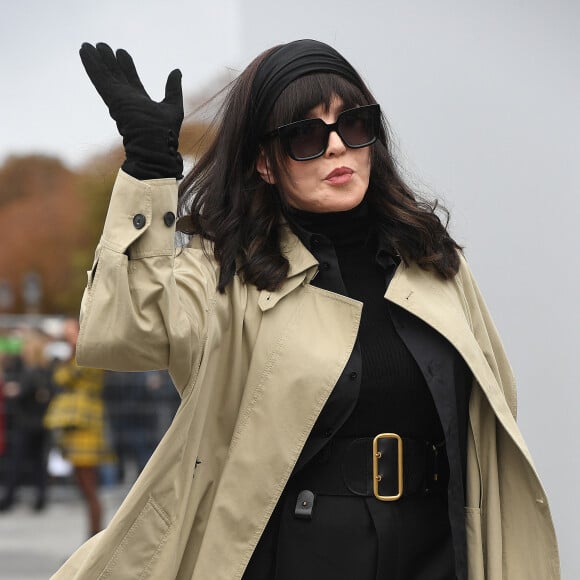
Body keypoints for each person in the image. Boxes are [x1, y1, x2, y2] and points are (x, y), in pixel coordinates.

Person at [51, 40, 560, 579]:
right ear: (266, 164)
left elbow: (490, 412)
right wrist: (150, 173)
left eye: (355, 125)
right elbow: (127, 334)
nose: (338, 147)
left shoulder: (433, 261)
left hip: (435, 547)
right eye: (306, 136)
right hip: (298, 554)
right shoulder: (229, 272)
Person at [45, 318, 113, 537]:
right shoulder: (73, 355)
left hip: (86, 424)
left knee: (89, 485)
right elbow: (60, 376)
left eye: (71, 330)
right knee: (84, 485)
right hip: (76, 426)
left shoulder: (89, 355)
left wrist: (75, 347)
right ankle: (92, 536)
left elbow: (70, 374)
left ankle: (94, 537)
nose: (67, 335)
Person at [0, 330, 55, 512]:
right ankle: (40, 498)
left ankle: (9, 498)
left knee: (18, 461)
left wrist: (16, 390)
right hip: (41, 421)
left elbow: (23, 390)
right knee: (39, 462)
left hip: (27, 422)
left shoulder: (29, 370)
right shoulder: (45, 368)